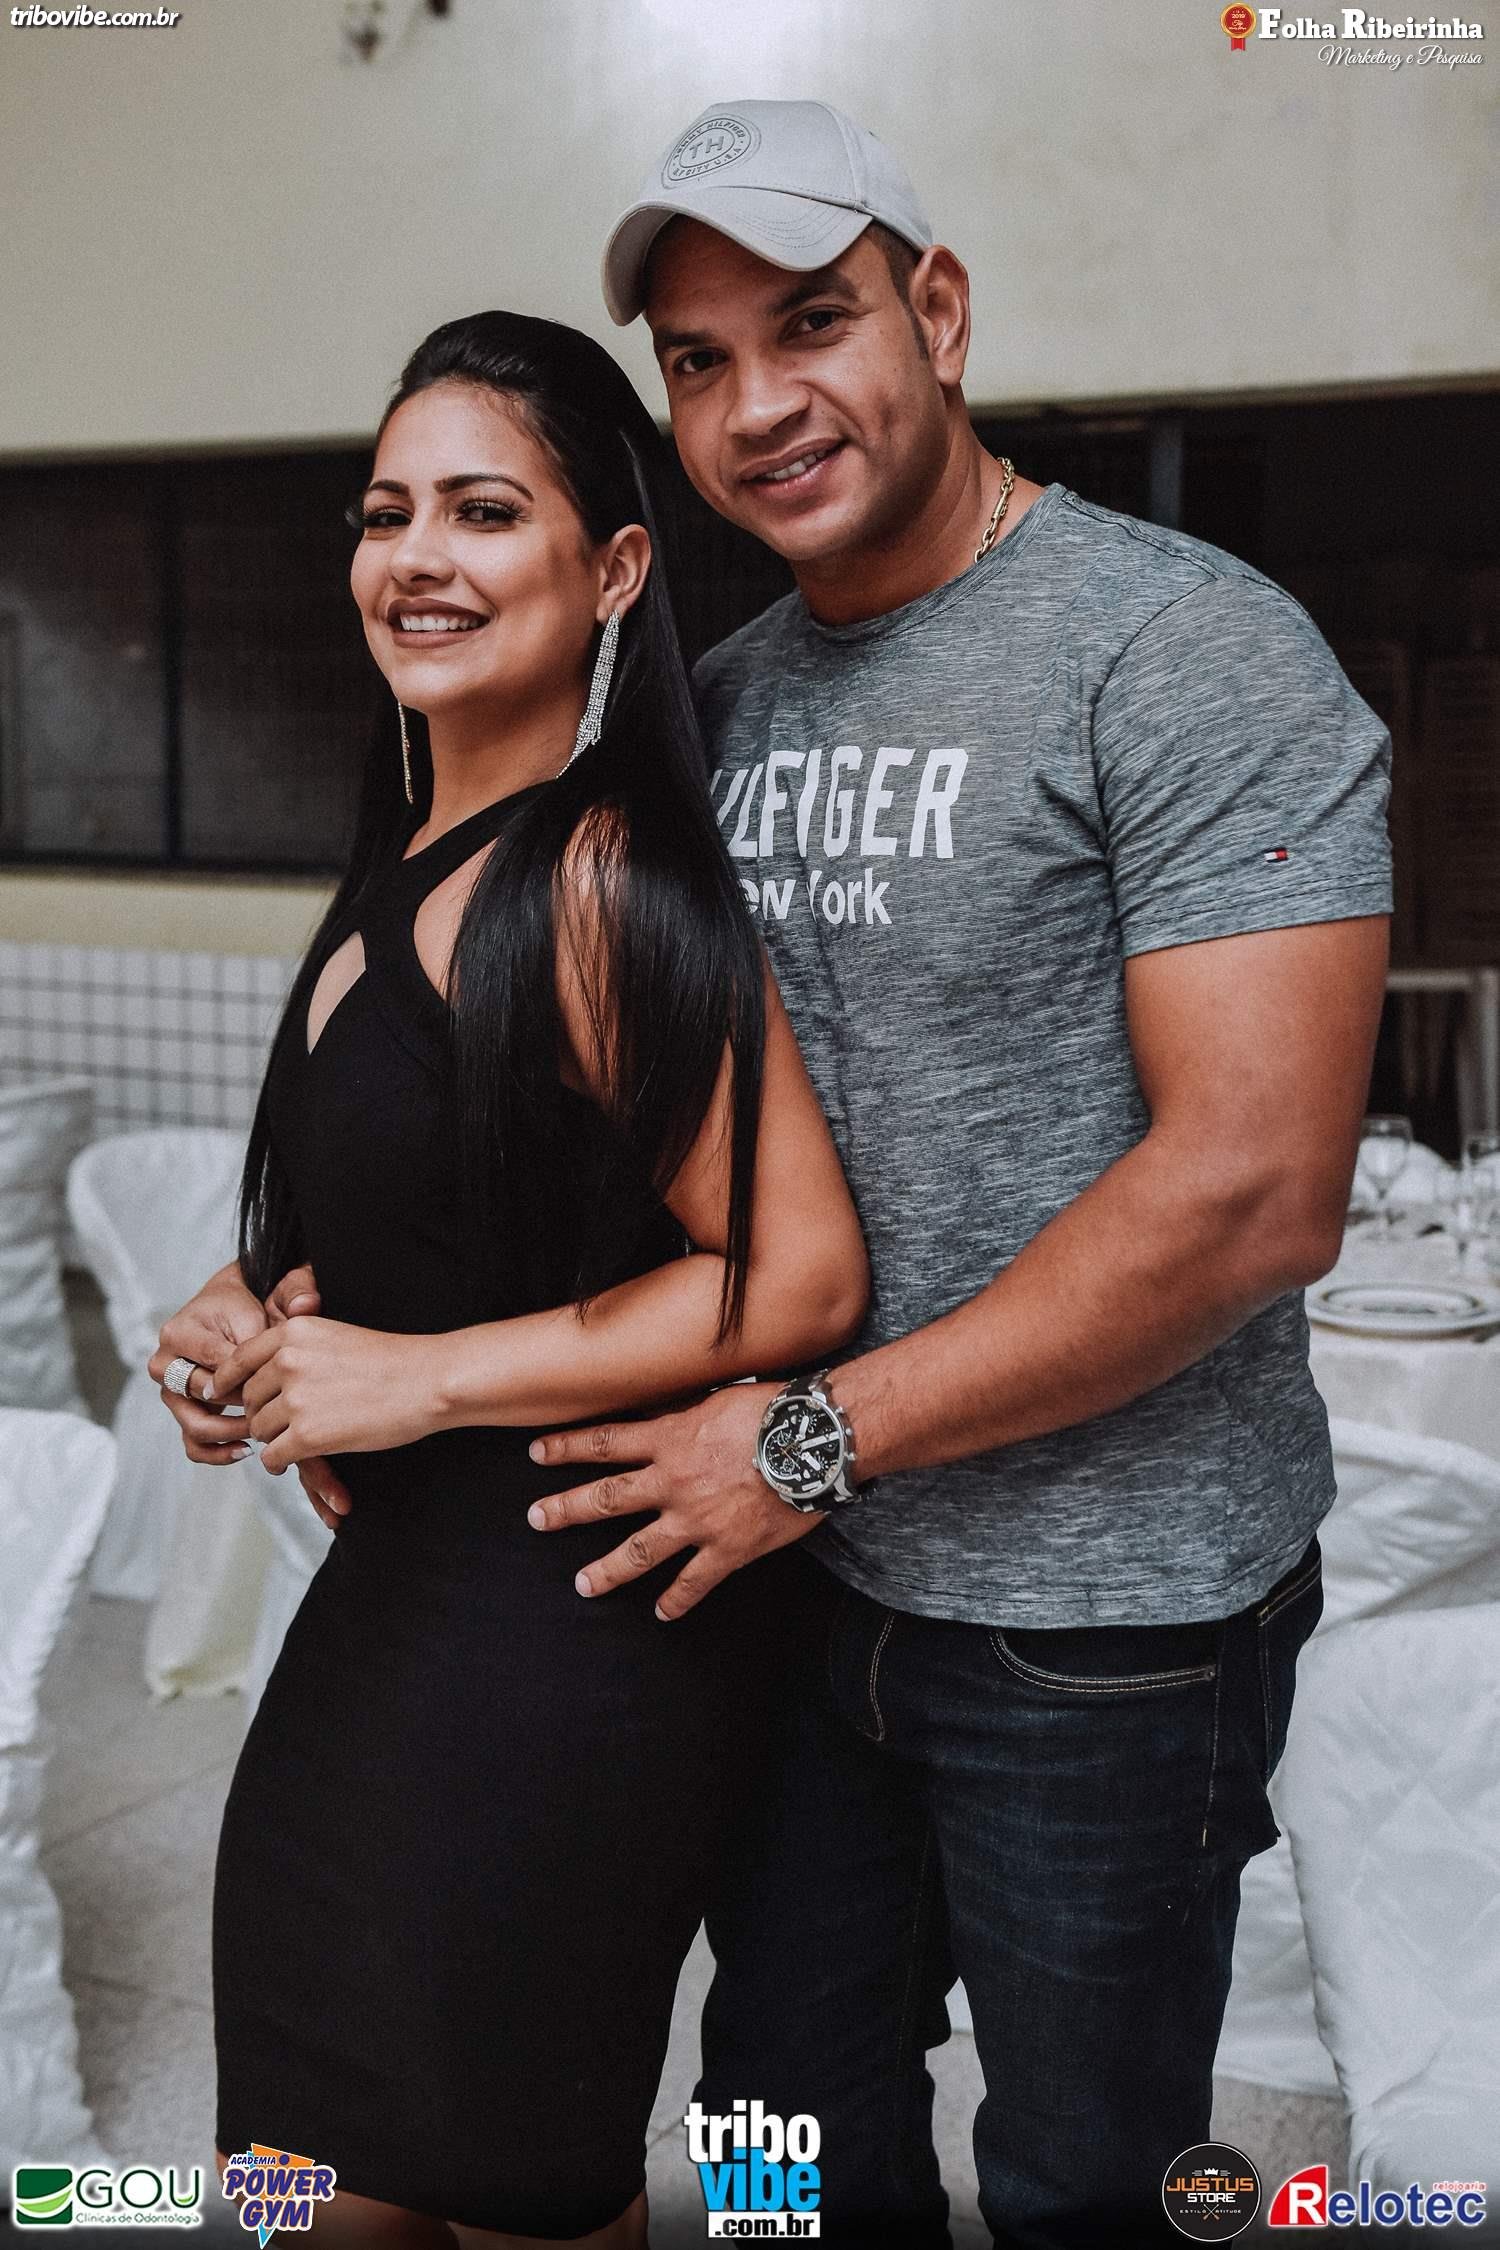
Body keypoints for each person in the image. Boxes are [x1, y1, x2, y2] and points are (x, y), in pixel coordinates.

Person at [512, 103, 1390, 2244]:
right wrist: (321, 1303)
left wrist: (808, 1437)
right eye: (699, 361)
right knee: (772, 2126)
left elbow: (1256, 1188)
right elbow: (628, 1120)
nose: (756, 403)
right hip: (793, 1583)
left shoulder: (1183, 650)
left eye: (811, 323)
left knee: (1090, 2169)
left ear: (941, 312)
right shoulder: (716, 708)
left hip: (1109, 1618)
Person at [150, 308, 868, 2246]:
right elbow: (446, 1204)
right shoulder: (411, 848)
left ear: (614, 569)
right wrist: (252, 1306)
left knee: (505, 2183)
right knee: (306, 2172)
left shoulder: (598, 876)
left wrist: (419, 1376)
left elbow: (800, 1274)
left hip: (557, 1653)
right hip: (400, 1628)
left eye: (483, 510)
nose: (419, 556)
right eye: (388, 512)